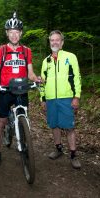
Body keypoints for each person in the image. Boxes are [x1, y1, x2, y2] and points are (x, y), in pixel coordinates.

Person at [0, 12, 41, 167]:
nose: (14, 35)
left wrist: (36, 78)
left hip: (22, 89)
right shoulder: (1, 51)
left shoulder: (26, 51)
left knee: (24, 116)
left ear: (21, 33)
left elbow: (30, 72)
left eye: (17, 32)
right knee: (1, 122)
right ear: (7, 33)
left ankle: (25, 143)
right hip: (5, 90)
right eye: (11, 32)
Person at [40, 30, 82, 169]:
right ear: (49, 42)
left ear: (62, 42)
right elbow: (42, 83)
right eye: (52, 40)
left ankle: (73, 154)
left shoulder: (71, 57)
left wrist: (76, 96)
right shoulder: (46, 61)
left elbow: (77, 77)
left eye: (57, 40)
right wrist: (43, 99)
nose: (54, 42)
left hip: (66, 98)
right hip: (51, 99)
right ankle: (58, 149)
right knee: (54, 125)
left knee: (69, 127)